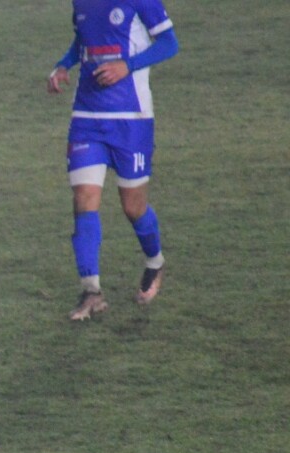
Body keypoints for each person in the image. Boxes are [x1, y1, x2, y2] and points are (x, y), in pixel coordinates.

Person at [47, 1, 180, 321]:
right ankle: (91, 290)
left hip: (131, 121)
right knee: (84, 197)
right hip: (87, 117)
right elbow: (84, 39)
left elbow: (169, 43)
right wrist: (63, 65)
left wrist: (127, 66)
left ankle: (155, 261)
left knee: (133, 207)